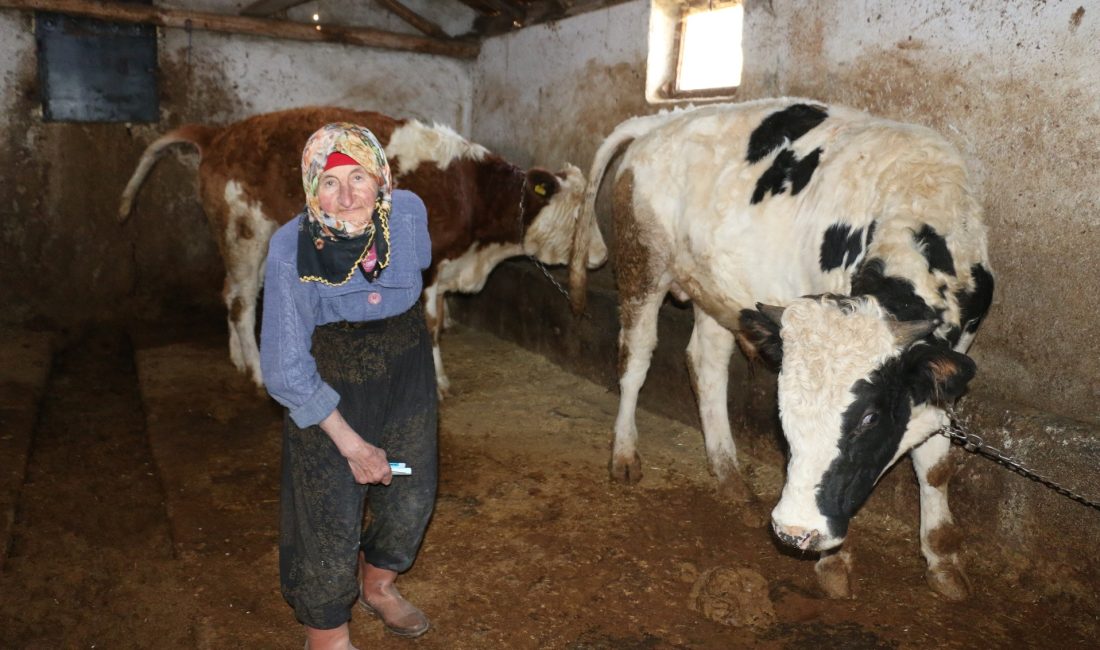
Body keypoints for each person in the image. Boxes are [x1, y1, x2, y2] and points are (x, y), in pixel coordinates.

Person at [260, 122, 437, 649]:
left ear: (381, 178)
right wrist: (352, 443)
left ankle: (378, 584)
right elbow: (286, 367)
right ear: (311, 189)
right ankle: (327, 632)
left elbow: (419, 266)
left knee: (411, 486)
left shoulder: (408, 215)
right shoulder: (290, 249)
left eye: (359, 177)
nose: (346, 196)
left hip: (405, 363)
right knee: (328, 506)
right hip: (328, 376)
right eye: (330, 184)